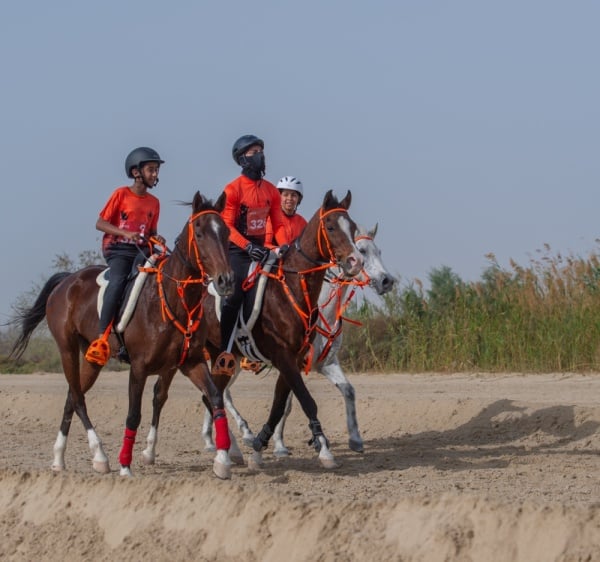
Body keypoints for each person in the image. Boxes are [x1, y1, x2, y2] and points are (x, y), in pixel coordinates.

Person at [85, 147, 166, 366]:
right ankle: (103, 336)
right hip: (118, 249)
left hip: (141, 250)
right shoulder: (121, 194)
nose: (155, 174)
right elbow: (100, 223)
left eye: (156, 170)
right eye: (151, 170)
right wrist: (125, 233)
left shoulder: (154, 202)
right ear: (136, 172)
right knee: (120, 279)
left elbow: (150, 232)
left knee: (156, 278)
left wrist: (157, 239)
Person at [214, 134, 287, 376]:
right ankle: (224, 351)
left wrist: (284, 245)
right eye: (253, 152)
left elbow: (278, 224)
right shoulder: (233, 189)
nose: (259, 155)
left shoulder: (271, 191)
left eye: (261, 151)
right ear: (242, 159)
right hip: (238, 251)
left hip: (262, 250)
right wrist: (247, 247)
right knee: (234, 296)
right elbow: (227, 227)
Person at [265, 175, 308, 246]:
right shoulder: (270, 219)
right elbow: (265, 244)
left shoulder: (302, 222)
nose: (289, 198)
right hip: (275, 256)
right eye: (285, 195)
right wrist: (278, 250)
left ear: (298, 199)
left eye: (293, 195)